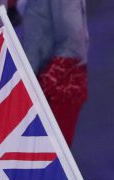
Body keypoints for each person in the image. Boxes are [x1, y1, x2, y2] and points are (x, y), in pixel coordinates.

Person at [20, 0, 88, 144]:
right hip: (43, 81)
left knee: (48, 157)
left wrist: (40, 86)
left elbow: (73, 43)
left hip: (58, 88)